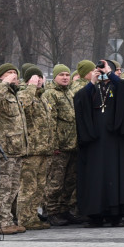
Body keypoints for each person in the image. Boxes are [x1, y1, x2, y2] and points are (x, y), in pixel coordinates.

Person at [74, 59, 124, 228]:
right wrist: (92, 82)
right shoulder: (91, 89)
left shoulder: (118, 86)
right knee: (95, 177)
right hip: (94, 141)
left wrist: (110, 73)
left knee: (115, 176)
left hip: (114, 140)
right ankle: (95, 215)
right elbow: (79, 101)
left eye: (104, 70)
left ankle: (115, 215)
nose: (101, 73)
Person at [0, 64, 29, 234]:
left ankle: (9, 219)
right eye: (9, 73)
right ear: (0, 77)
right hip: (4, 148)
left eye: (15, 73)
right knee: (3, 187)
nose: (13, 76)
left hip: (17, 148)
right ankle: (1, 222)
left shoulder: (15, 93)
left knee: (13, 187)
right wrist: (4, 83)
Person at [43, 65, 80, 227]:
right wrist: (54, 143)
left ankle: (64, 209)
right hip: (60, 146)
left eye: (67, 74)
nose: (65, 77)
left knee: (70, 181)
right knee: (55, 182)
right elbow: (50, 121)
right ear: (55, 77)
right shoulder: (51, 94)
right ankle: (51, 211)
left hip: (73, 144)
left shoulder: (71, 93)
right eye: (61, 75)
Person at [17, 66, 54, 231]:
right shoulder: (25, 93)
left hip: (44, 149)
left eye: (40, 77)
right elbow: (22, 104)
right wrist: (30, 86)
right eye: (34, 77)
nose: (38, 80)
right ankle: (24, 218)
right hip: (31, 150)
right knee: (28, 186)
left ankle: (32, 216)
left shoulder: (42, 97)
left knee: (40, 187)